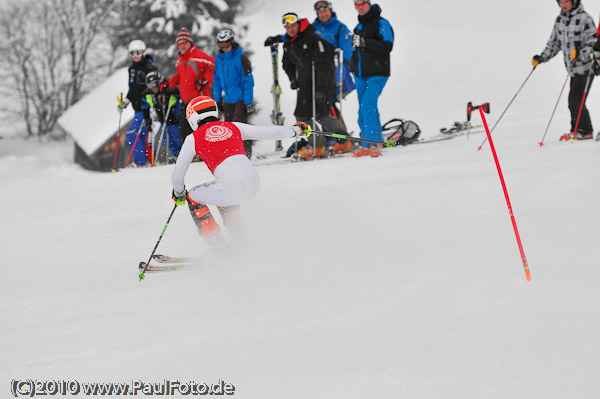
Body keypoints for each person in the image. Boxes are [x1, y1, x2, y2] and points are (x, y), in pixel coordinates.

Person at [170, 96, 311, 244]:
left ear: (192, 117)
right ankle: (241, 241)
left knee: (194, 196)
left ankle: (217, 247)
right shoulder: (233, 126)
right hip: (253, 184)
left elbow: (178, 173)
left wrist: (178, 192)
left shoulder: (193, 138)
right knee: (223, 193)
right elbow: (267, 132)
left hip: (229, 188)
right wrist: (295, 130)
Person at [265, 12, 350, 159]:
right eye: (287, 27)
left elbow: (325, 65)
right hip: (305, 83)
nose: (291, 29)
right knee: (316, 115)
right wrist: (293, 79)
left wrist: (321, 89)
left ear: (299, 25)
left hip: (321, 83)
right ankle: (335, 143)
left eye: (293, 25)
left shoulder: (312, 39)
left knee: (311, 116)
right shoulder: (289, 43)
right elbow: (287, 64)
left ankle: (322, 146)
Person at [532, 0, 596, 140]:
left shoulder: (585, 19)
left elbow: (595, 46)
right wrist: (542, 57)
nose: (564, 5)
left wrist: (580, 53)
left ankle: (584, 132)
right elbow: (554, 43)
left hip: (586, 68)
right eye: (561, 2)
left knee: (576, 100)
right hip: (572, 70)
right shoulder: (560, 20)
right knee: (573, 100)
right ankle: (577, 131)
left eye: (566, 1)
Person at [350, 0, 394, 158]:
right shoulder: (359, 27)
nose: (360, 7)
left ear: (369, 4)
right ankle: (368, 143)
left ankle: (374, 143)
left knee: (367, 105)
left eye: (362, 3)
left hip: (378, 72)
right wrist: (352, 64)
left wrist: (366, 43)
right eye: (357, 5)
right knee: (364, 108)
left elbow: (387, 46)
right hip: (360, 74)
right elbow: (356, 50)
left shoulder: (382, 23)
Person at [160, 27, 215, 141]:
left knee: (202, 126)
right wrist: (168, 84)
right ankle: (193, 154)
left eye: (184, 43)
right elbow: (179, 76)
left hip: (199, 98)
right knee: (185, 127)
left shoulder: (198, 55)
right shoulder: (180, 59)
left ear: (190, 42)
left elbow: (213, 65)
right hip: (186, 100)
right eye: (179, 44)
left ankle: (207, 150)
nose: (182, 46)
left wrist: (204, 80)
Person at [213, 29, 256, 158]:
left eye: (227, 44)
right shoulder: (219, 59)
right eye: (222, 45)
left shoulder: (241, 58)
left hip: (240, 98)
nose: (225, 48)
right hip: (227, 99)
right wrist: (217, 99)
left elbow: (248, 80)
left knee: (239, 127)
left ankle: (245, 154)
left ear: (232, 43)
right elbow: (217, 79)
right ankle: (232, 154)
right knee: (228, 128)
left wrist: (248, 101)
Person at [118, 40, 157, 166]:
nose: (135, 56)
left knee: (131, 134)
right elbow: (132, 88)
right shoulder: (132, 69)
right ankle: (149, 162)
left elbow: (154, 87)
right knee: (142, 135)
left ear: (143, 52)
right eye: (132, 54)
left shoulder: (149, 68)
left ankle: (141, 161)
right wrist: (126, 101)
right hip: (137, 108)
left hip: (146, 108)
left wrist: (150, 99)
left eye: (138, 53)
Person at [311, 1, 355, 110]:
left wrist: (339, 63)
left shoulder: (340, 28)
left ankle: (337, 127)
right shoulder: (312, 28)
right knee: (314, 104)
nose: (323, 14)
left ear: (330, 11)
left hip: (331, 71)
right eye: (320, 12)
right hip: (314, 71)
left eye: (325, 11)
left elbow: (347, 50)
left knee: (327, 102)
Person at [143, 70, 183, 161]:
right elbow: (145, 98)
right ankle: (176, 156)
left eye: (153, 85)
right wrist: (150, 100)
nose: (152, 88)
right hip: (163, 121)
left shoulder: (168, 87)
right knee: (167, 140)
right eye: (149, 86)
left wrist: (174, 99)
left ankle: (185, 154)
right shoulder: (153, 93)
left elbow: (177, 94)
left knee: (177, 138)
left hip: (174, 119)